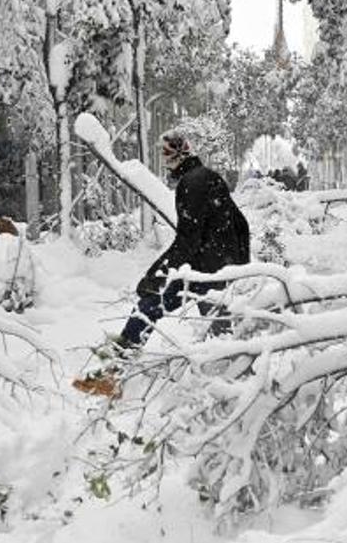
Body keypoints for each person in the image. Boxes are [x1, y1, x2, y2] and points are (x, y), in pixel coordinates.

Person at [74, 130, 250, 397]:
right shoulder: (209, 177)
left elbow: (187, 240)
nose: (165, 159)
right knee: (220, 326)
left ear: (179, 155)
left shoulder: (191, 183)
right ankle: (241, 380)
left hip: (203, 269)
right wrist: (238, 265)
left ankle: (112, 374)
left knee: (149, 305)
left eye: (167, 154)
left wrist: (155, 274)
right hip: (219, 266)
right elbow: (240, 223)